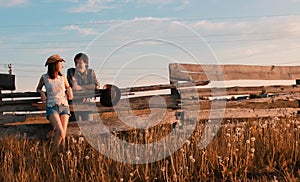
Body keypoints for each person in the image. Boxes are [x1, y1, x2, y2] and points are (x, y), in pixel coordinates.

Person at [36, 54, 73, 153]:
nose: (62, 66)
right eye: (60, 63)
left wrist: (69, 91)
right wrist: (42, 93)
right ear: (55, 65)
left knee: (63, 135)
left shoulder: (63, 77)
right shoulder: (44, 77)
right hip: (52, 106)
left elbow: (68, 87)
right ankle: (51, 156)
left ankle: (61, 158)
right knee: (59, 131)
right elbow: (38, 88)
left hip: (64, 106)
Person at [67, 53, 100, 121]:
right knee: (74, 126)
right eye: (76, 62)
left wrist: (81, 88)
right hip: (73, 104)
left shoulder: (91, 72)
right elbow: (74, 87)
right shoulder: (71, 71)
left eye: (79, 62)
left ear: (85, 63)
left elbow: (96, 86)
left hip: (87, 104)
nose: (77, 64)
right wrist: (89, 87)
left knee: (88, 126)